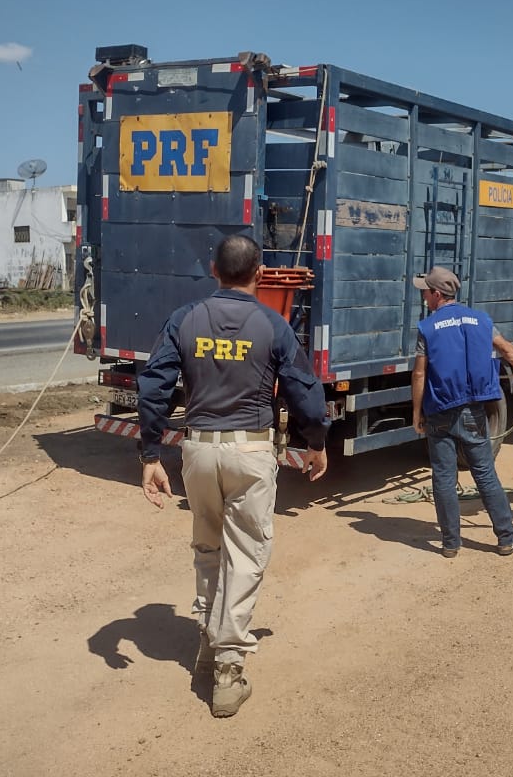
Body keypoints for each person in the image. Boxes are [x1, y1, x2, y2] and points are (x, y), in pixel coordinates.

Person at [136, 234, 329, 719]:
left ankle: (207, 639)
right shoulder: (273, 323)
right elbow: (304, 391)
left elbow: (155, 385)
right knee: (245, 556)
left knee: (208, 546)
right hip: (250, 452)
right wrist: (317, 442)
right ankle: (227, 667)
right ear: (260, 274)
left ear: (213, 269)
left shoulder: (185, 318)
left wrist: (150, 454)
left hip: (197, 451)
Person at [410, 266, 513, 558]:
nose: (423, 296)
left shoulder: (427, 327)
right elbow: (509, 352)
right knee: (486, 475)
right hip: (473, 412)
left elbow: (419, 375)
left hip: (439, 412)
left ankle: (450, 544)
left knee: (443, 478)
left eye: (425, 291)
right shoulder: (481, 320)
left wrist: (417, 412)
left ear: (438, 294)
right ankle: (506, 538)